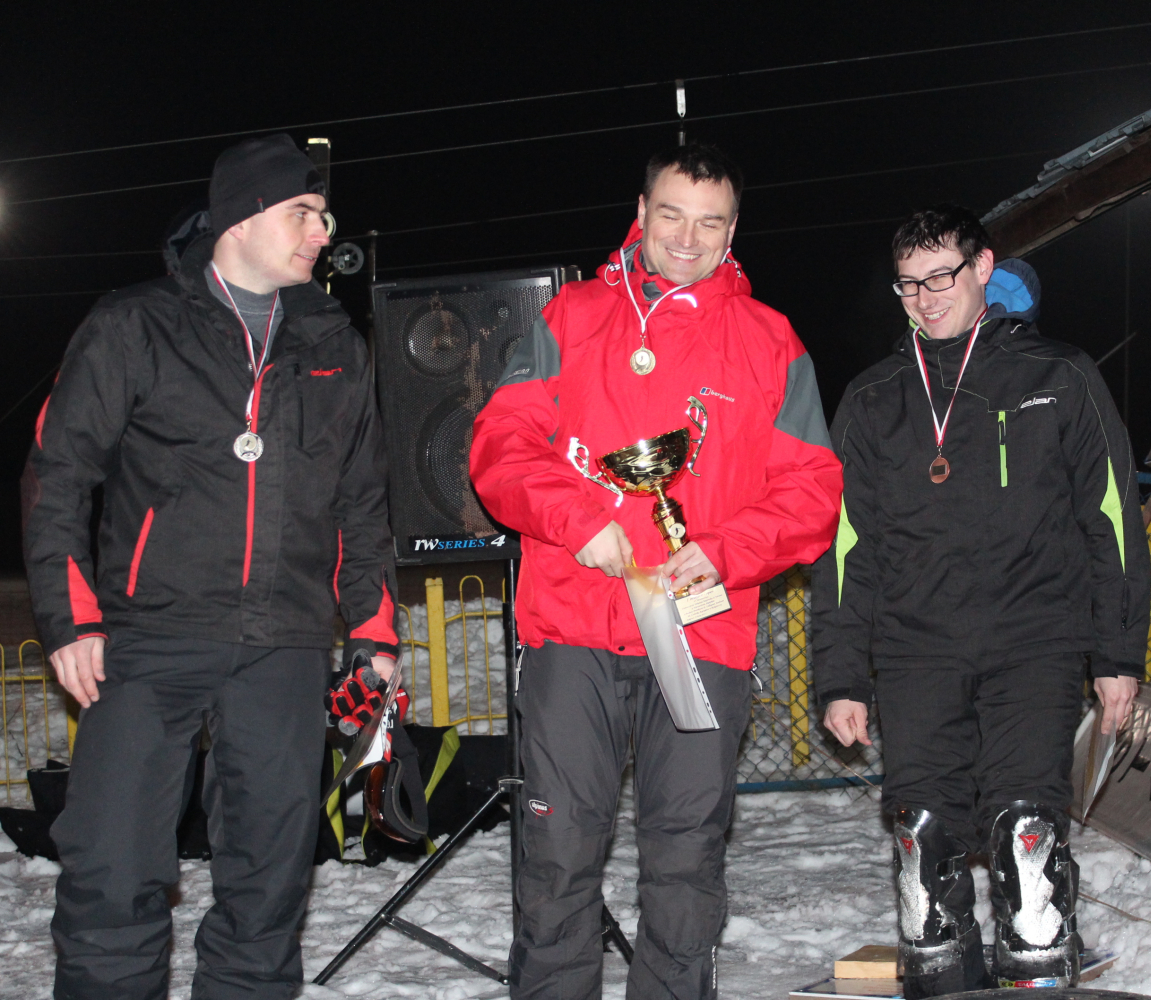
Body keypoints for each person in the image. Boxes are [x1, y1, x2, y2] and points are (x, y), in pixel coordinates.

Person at [22, 134, 401, 1000]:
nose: (322, 232)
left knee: (268, 880)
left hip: (286, 645)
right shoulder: (135, 323)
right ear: (241, 216)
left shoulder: (335, 342)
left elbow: (362, 503)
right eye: (303, 213)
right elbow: (58, 475)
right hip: (146, 638)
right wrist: (72, 619)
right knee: (114, 869)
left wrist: (373, 633)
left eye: (323, 214)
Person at [471, 144, 842, 999]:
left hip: (702, 634)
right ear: (639, 214)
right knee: (557, 854)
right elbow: (499, 447)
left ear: (732, 231)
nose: (687, 237)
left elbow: (812, 492)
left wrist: (727, 549)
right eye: (671, 214)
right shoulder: (566, 318)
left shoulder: (771, 341)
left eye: (710, 222)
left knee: (685, 861)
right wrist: (578, 522)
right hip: (573, 627)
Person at [811, 204, 1150, 996]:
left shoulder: (1058, 377)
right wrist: (840, 676)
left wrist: (1115, 655)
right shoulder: (873, 398)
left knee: (1025, 837)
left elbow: (1110, 523)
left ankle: (1037, 971)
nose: (925, 299)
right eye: (908, 284)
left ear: (982, 267)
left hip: (1034, 639)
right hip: (914, 650)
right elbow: (845, 550)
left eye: (940, 278)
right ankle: (941, 978)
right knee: (921, 840)